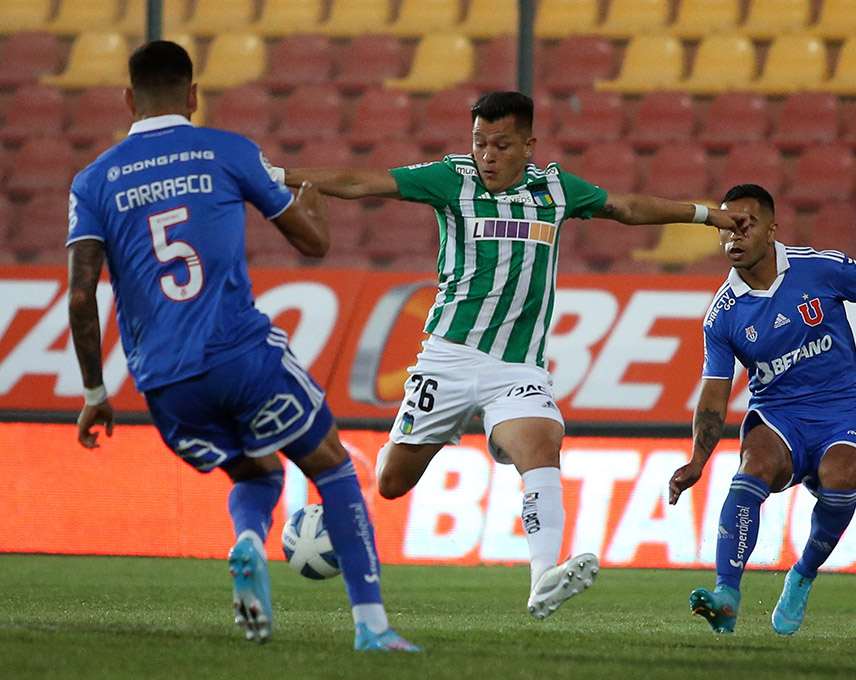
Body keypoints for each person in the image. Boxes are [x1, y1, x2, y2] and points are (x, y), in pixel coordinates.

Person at [272, 91, 750, 619]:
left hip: (516, 368)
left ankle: (544, 575)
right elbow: (365, 182)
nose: (488, 156)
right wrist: (282, 176)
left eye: (501, 144)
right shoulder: (452, 180)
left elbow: (627, 207)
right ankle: (354, 495)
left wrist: (709, 216)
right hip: (446, 359)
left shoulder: (555, 190)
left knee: (543, 443)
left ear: (528, 144)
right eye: (479, 143)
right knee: (391, 484)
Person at [66, 40, 419, 651]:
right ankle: (372, 627)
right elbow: (311, 244)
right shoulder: (228, 152)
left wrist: (96, 392)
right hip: (240, 353)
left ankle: (249, 542)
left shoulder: (94, 182)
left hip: (164, 382)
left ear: (129, 99)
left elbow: (79, 298)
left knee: (256, 473)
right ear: (194, 94)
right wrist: (317, 207)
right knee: (331, 465)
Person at [668, 184, 856, 635]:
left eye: (745, 225)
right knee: (753, 466)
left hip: (842, 412)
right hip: (778, 413)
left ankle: (802, 574)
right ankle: (727, 596)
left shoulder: (821, 267)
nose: (734, 236)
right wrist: (697, 459)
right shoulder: (722, 314)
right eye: (726, 228)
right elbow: (714, 395)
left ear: (772, 229)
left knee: (840, 478)